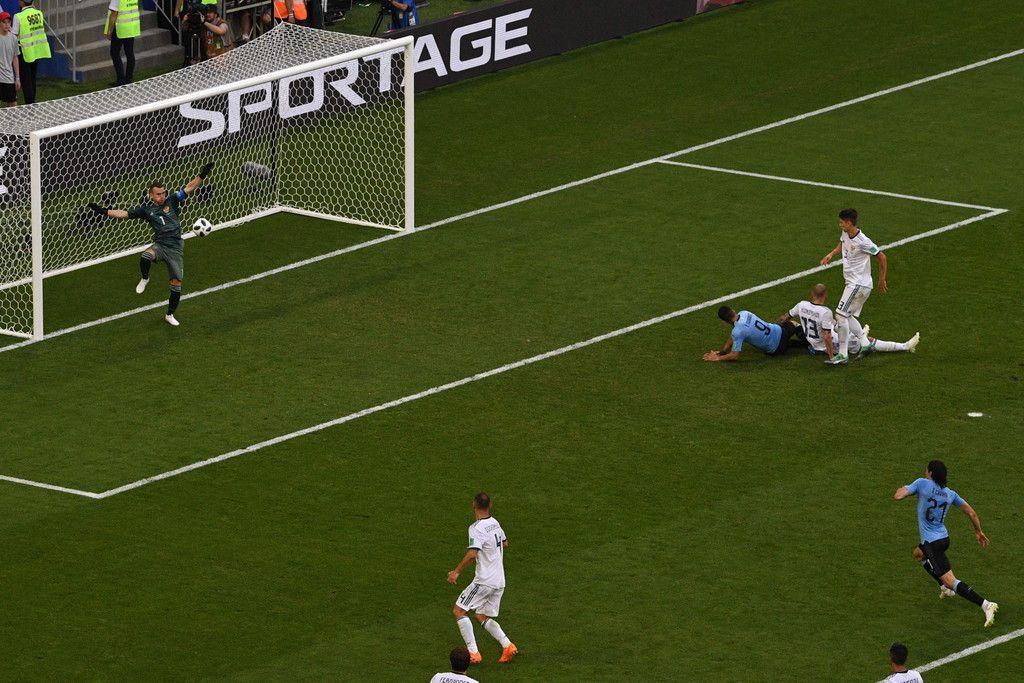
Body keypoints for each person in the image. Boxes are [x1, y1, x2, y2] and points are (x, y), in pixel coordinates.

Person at [87, 162, 214, 327]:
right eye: (158, 194)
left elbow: (189, 187)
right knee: (146, 256)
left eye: (163, 192)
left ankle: (169, 314)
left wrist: (202, 174)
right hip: (160, 245)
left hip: (175, 248)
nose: (162, 196)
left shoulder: (172, 200)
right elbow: (123, 214)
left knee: (176, 285)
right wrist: (102, 211)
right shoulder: (146, 211)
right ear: (151, 195)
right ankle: (145, 278)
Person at [893, 460, 998, 627]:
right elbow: (971, 513)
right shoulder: (950, 494)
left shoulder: (922, 484)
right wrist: (978, 531)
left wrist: (902, 490)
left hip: (932, 543)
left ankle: (986, 604)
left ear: (930, 473)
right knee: (918, 554)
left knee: (950, 580)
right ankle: (944, 587)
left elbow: (899, 495)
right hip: (943, 539)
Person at [447, 493, 518, 665]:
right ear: (490, 505)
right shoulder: (495, 523)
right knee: (480, 615)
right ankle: (507, 645)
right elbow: (505, 543)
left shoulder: (476, 528)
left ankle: (473, 653)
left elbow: (472, 554)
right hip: (499, 581)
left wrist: (456, 572)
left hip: (485, 581)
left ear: (474, 504)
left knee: (459, 611)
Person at [818, 208, 887, 365]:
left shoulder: (863, 241)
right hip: (853, 283)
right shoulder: (846, 233)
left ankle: (843, 354)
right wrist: (831, 254)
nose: (840, 224)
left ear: (849, 223)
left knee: (840, 315)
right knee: (846, 315)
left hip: (859, 284)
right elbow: (842, 244)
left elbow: (882, 257)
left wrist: (882, 279)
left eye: (842, 222)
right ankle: (865, 344)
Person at [780, 283, 919, 361]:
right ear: (825, 295)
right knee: (868, 341)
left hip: (813, 338)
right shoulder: (825, 312)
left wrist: (774, 325)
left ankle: (858, 334)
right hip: (824, 344)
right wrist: (832, 356)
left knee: (837, 322)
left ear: (812, 293)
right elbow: (827, 337)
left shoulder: (801, 305)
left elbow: (786, 317)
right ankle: (905, 346)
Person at [702, 306, 805, 362]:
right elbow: (733, 336)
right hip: (779, 331)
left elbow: (734, 356)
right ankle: (810, 341)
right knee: (794, 324)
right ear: (733, 310)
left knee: (787, 344)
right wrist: (722, 352)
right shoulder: (744, 313)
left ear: (725, 321)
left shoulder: (737, 331)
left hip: (775, 349)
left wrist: (718, 357)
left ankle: (795, 344)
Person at [12, 0, 49, 105]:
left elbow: (14, 36)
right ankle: (32, 103)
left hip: (25, 51)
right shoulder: (39, 13)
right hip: (37, 50)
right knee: (32, 78)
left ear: (22, 2)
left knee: (26, 80)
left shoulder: (18, 16)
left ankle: (30, 105)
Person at [106, 0, 141, 87]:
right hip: (132, 26)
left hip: (121, 28)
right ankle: (128, 78)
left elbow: (114, 13)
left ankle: (121, 79)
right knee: (129, 52)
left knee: (114, 52)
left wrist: (109, 30)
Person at [0, 11, 20, 107]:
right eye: (4, 22)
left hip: (9, 78)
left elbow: (15, 58)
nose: (7, 24)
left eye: (8, 22)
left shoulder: (13, 39)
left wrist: (17, 78)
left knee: (13, 104)